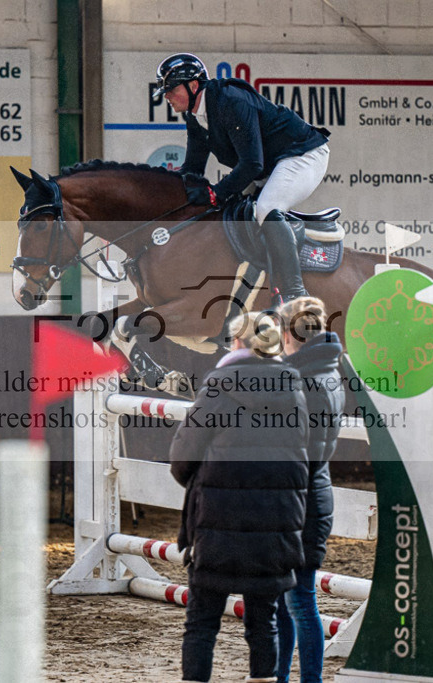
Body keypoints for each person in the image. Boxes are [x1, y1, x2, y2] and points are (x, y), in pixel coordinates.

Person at [169, 311, 310, 683]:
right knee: (264, 623)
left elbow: (183, 455)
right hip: (275, 523)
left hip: (218, 522)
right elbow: (301, 456)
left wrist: (200, 482)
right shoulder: (294, 387)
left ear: (236, 342)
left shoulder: (218, 384)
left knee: (201, 623)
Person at [154, 53, 331, 304]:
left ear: (194, 86)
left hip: (302, 154)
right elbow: (193, 169)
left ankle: (295, 293)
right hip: (267, 166)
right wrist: (164, 194)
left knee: (266, 209)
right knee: (230, 211)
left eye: (171, 90)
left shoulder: (230, 101)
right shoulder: (194, 116)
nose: (168, 97)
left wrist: (215, 192)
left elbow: (251, 163)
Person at [273, 297, 345, 683]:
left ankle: (309, 680)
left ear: (288, 334)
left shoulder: (299, 383)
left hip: (296, 502)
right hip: (313, 493)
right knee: (288, 604)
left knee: (299, 602)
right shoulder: (327, 372)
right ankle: (281, 677)